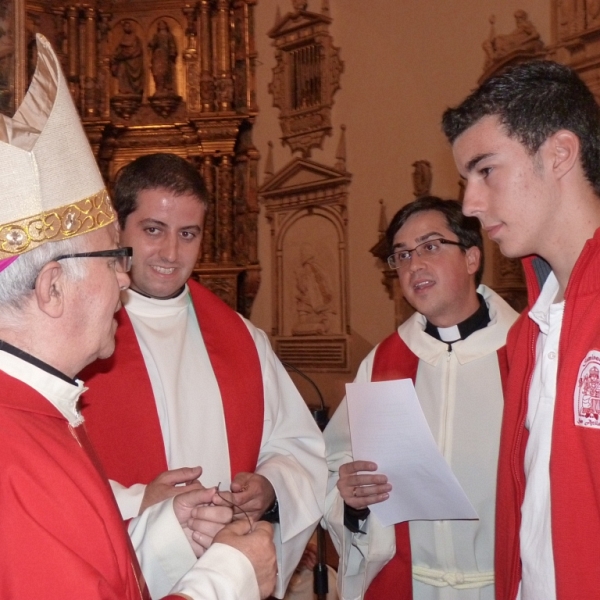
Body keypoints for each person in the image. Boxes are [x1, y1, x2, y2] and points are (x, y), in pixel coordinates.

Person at [0, 34, 276, 599]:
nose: (125, 278)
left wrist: (164, 532)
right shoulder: (14, 453)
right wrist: (231, 577)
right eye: (113, 257)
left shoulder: (40, 414)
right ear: (53, 287)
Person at [80, 153, 328, 598]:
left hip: (227, 572)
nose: (171, 254)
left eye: (188, 234)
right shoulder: (77, 335)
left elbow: (297, 446)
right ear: (118, 229)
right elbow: (42, 473)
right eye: (153, 230)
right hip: (125, 569)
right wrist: (145, 504)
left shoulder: (243, 339)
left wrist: (270, 486)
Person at [442, 59, 600, 600]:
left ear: (559, 153)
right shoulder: (527, 334)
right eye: (466, 179)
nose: (469, 203)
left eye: (486, 170)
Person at [324, 197, 517, 600]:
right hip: (408, 585)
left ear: (471, 258)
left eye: (430, 246)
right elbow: (334, 466)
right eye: (402, 255)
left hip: (504, 585)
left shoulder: (527, 355)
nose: (414, 265)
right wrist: (352, 499)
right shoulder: (382, 363)